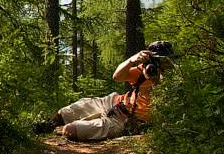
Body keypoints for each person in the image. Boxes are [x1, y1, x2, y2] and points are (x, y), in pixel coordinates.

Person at [42, 40, 175, 141]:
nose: (157, 63)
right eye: (154, 59)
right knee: (66, 112)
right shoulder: (143, 69)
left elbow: (165, 104)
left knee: (69, 131)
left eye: (161, 60)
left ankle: (63, 129)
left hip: (125, 121)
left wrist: (156, 79)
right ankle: (46, 126)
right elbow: (117, 77)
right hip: (114, 102)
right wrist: (131, 60)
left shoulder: (173, 80)